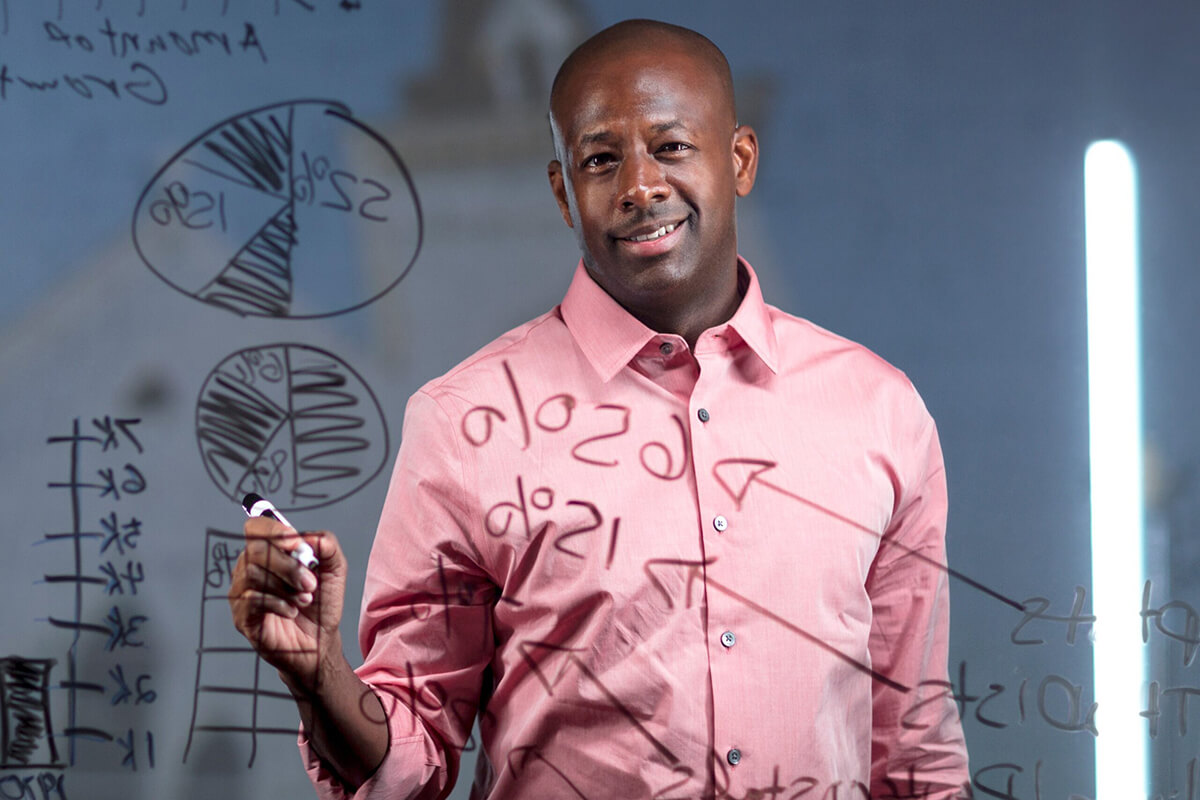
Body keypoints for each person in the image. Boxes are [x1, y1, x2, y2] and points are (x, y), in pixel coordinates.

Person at [229, 18, 970, 800]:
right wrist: (319, 674)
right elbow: (414, 757)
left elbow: (915, 750)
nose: (640, 186)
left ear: (740, 160)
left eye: (672, 146)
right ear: (563, 192)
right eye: (601, 159)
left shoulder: (879, 411)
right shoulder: (462, 425)